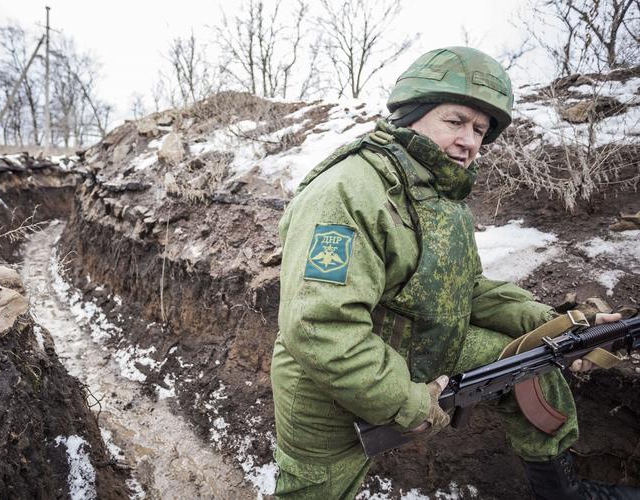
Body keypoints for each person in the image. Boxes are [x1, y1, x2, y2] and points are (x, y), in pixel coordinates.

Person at [270, 46, 638, 500]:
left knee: (529, 365)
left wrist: (559, 326)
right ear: (413, 114)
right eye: (455, 121)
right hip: (326, 394)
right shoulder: (349, 191)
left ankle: (562, 492)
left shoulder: (442, 194)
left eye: (481, 129)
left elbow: (467, 290)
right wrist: (407, 403)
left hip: (418, 349)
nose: (470, 140)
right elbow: (320, 326)